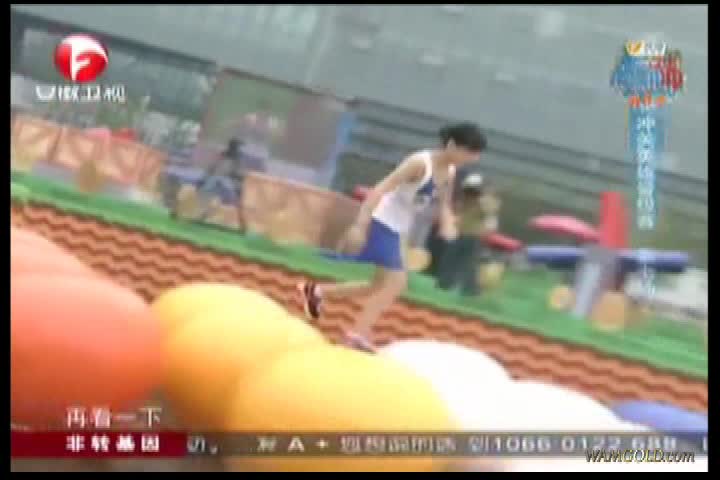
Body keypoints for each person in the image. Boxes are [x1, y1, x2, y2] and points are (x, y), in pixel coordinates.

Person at [298, 122, 488, 352]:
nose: (471, 159)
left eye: (475, 155)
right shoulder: (419, 163)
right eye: (468, 152)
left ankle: (317, 292)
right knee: (396, 282)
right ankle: (357, 334)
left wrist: (447, 222)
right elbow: (381, 188)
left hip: (398, 228)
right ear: (452, 145)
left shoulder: (449, 170)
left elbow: (444, 201)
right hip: (382, 220)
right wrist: (360, 224)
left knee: (378, 284)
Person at [435, 172, 500, 296]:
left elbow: (490, 212)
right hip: (460, 233)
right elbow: (458, 209)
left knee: (469, 264)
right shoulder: (465, 199)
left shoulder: (486, 202)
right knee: (450, 258)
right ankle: (444, 284)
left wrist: (484, 196)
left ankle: (470, 290)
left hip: (474, 237)